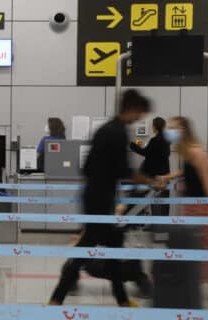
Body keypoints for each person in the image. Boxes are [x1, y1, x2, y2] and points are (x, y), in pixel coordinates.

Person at [48, 89, 156, 307]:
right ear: (133, 109)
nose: (140, 119)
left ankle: (122, 299)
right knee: (87, 249)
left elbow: (87, 167)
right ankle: (57, 297)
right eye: (140, 113)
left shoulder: (106, 129)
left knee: (113, 247)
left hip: (94, 195)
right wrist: (149, 181)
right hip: (100, 198)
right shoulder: (117, 132)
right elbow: (123, 169)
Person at [158, 117, 208, 301]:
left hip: (204, 205)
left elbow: (207, 178)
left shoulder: (195, 151)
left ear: (184, 129)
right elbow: (188, 172)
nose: (170, 131)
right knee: (196, 244)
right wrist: (169, 175)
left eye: (173, 127)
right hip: (193, 205)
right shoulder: (187, 152)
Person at [129, 117, 171, 215]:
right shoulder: (167, 141)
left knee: (156, 202)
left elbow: (145, 153)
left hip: (155, 177)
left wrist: (132, 144)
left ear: (154, 127)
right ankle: (163, 224)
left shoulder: (154, 140)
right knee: (164, 202)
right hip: (165, 176)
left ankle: (157, 225)